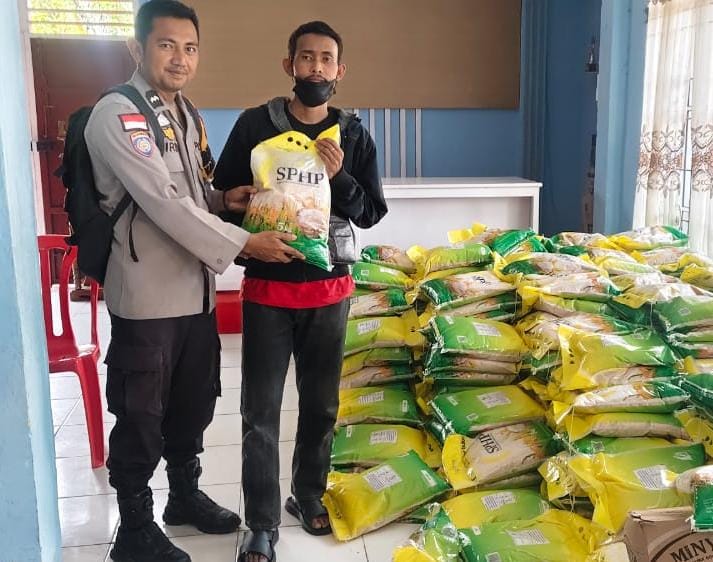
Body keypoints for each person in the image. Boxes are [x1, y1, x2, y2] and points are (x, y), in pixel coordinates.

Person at [84, 2, 304, 561]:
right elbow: (161, 202)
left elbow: (190, 192)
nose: (180, 59)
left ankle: (183, 496)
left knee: (193, 401)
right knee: (141, 411)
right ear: (137, 49)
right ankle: (134, 527)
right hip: (148, 293)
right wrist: (245, 242)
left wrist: (223, 199)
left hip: (195, 290)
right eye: (166, 45)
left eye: (190, 48)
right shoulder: (120, 113)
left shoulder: (183, 113)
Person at [213, 20, 387, 562]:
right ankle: (261, 522)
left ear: (340, 70)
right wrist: (245, 208)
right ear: (289, 65)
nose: (316, 68)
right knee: (260, 414)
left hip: (329, 291)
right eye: (306, 57)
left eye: (326, 59)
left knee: (321, 406)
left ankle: (307, 495)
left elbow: (371, 213)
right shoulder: (255, 125)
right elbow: (223, 193)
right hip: (268, 290)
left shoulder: (352, 135)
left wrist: (339, 178)